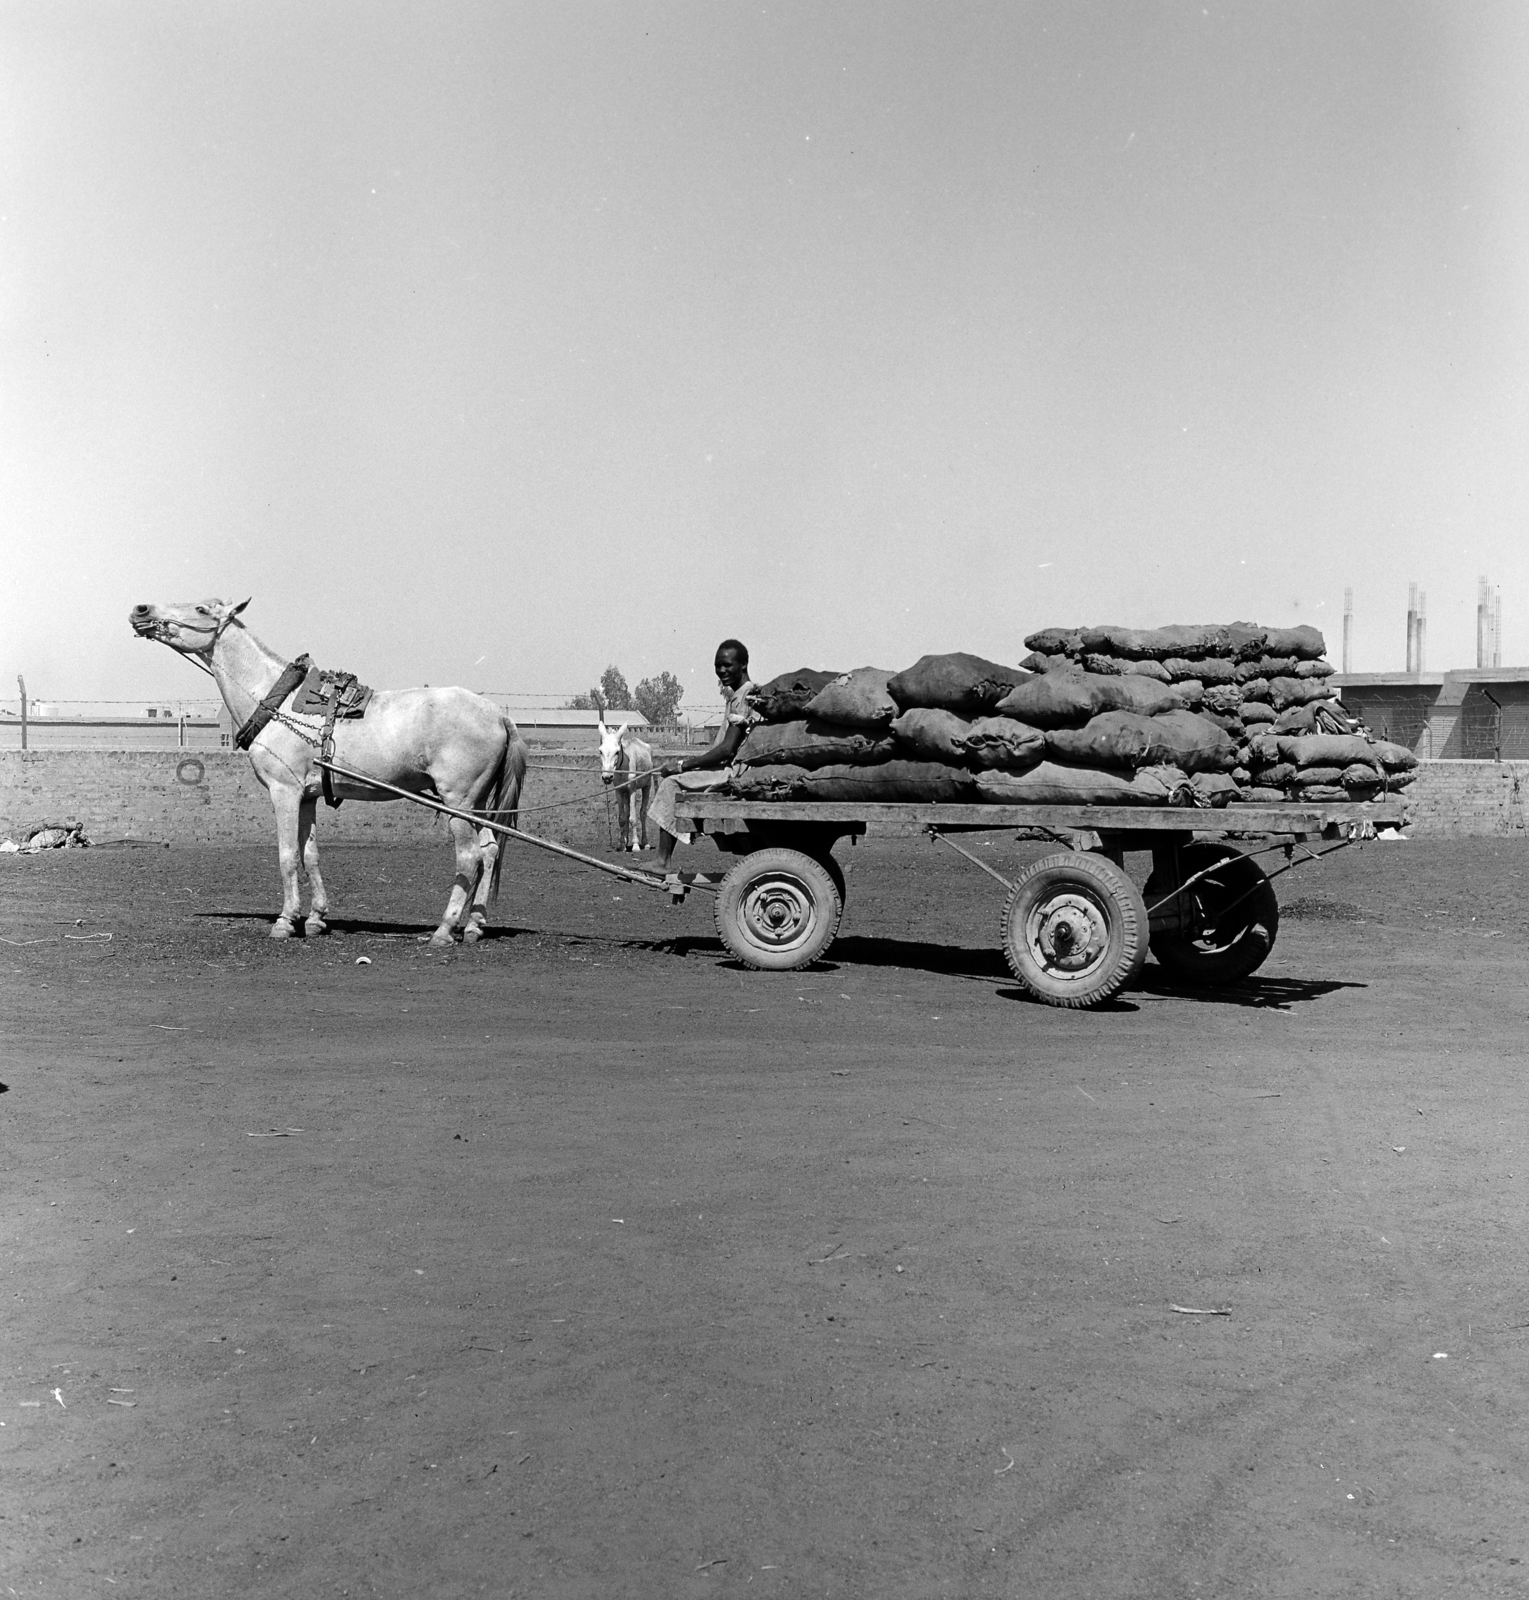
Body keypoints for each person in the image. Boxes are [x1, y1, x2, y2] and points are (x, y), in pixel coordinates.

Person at [648, 639, 755, 880]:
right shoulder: (739, 695)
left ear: (743, 665)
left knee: (671, 784)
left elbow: (728, 750)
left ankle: (663, 861)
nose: (721, 671)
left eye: (727, 665)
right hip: (730, 767)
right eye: (718, 666)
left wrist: (681, 765)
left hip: (733, 772)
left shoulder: (744, 696)